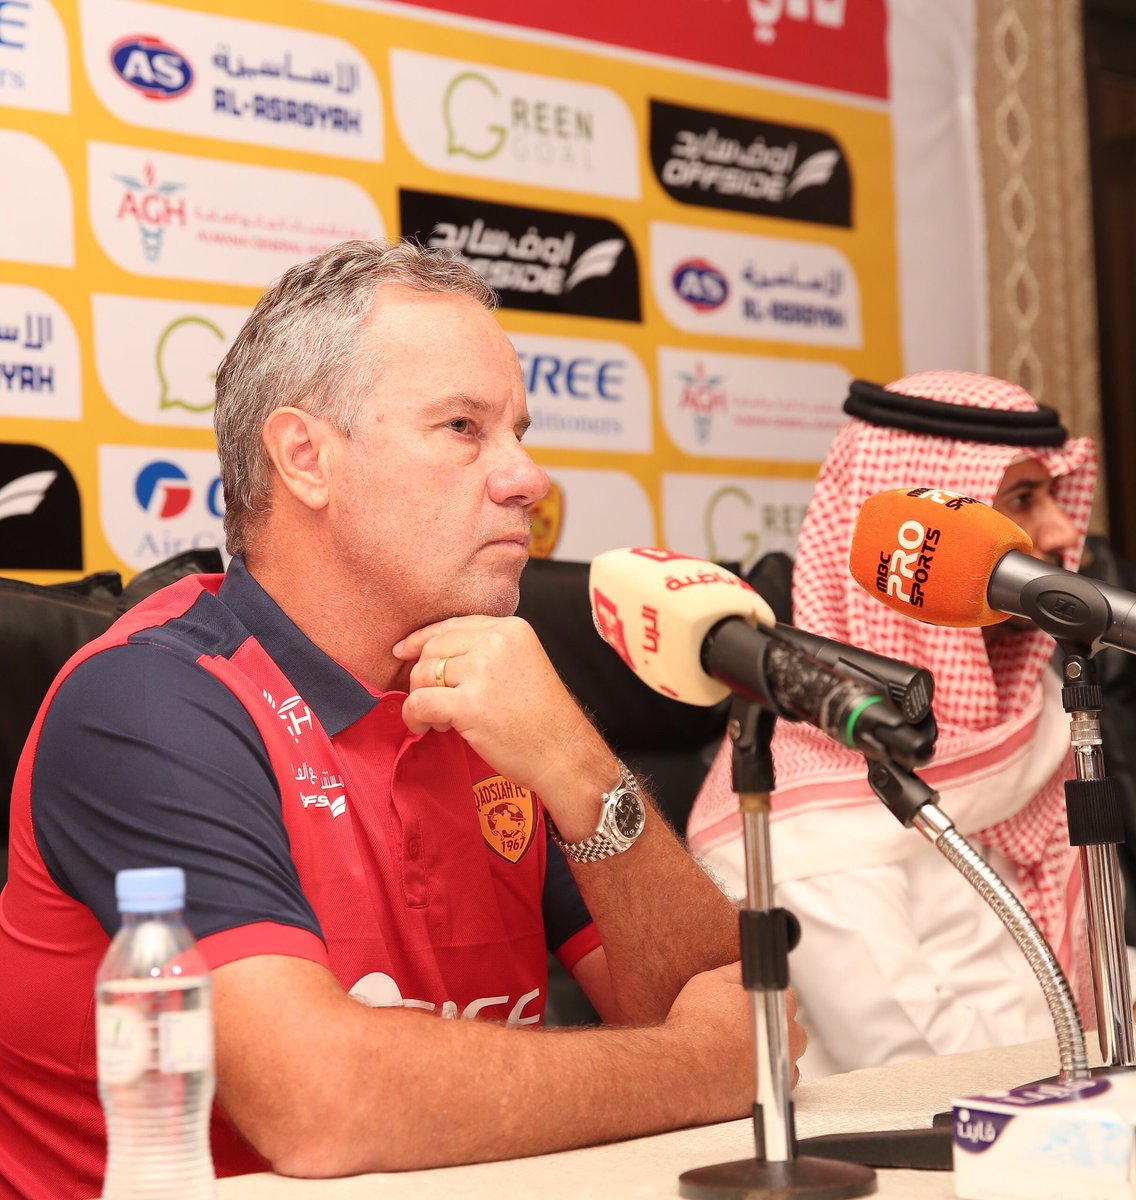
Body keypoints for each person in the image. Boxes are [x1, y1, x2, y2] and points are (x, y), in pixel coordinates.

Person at [0, 240, 806, 1198]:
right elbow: (321, 1103)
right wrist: (695, 1070)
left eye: (519, 432)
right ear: (306, 459)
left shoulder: (496, 696)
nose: (528, 478)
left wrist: (582, 770)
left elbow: (730, 1009)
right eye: (464, 427)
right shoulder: (150, 702)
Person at [687, 369, 1097, 1080]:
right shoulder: (805, 812)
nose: (1064, 533)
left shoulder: (1029, 725)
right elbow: (920, 1069)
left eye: (1054, 496)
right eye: (1024, 500)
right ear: (922, 558)